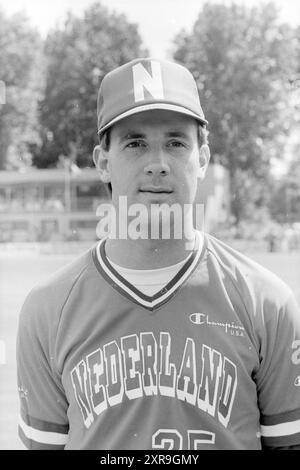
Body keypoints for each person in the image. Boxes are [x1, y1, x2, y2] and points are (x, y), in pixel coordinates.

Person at [17, 58, 300, 450]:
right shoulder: (47, 309)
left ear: (201, 158)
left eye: (175, 142)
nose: (157, 165)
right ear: (103, 162)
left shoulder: (266, 303)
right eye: (135, 143)